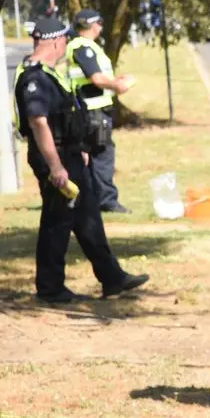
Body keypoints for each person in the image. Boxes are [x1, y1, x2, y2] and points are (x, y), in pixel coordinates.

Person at [15, 17, 148, 303]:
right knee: (57, 221)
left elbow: (64, 116)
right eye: (62, 40)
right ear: (53, 41)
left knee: (88, 216)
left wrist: (80, 147)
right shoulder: (34, 78)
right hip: (55, 157)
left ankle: (112, 278)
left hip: (71, 153)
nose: (65, 45)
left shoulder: (51, 74)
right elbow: (39, 123)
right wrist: (55, 166)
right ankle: (50, 289)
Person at [66, 9, 136, 213]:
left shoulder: (81, 46)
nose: (101, 27)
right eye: (100, 23)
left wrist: (115, 80)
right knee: (102, 155)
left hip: (90, 109)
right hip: (93, 111)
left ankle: (87, 199)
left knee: (90, 155)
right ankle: (106, 201)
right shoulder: (83, 47)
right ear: (94, 25)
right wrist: (118, 86)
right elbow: (95, 78)